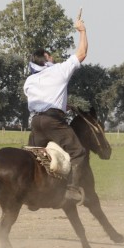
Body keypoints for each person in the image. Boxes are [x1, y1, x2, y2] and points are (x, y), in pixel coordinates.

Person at [23, 17, 88, 205]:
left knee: (35, 155)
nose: (53, 57)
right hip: (53, 121)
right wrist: (82, 31)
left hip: (36, 122)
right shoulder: (59, 70)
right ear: (45, 58)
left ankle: (32, 192)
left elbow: (42, 99)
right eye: (50, 55)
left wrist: (64, 105)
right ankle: (72, 190)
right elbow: (82, 53)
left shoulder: (29, 81)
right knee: (78, 152)